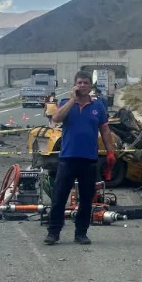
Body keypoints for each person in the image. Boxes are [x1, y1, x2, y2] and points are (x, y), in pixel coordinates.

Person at [44, 71, 116, 245]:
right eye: (79, 83)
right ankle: (53, 232)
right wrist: (72, 101)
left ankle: (81, 233)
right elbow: (56, 118)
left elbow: (105, 130)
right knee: (59, 198)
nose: (82, 85)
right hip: (67, 159)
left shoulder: (98, 107)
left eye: (85, 83)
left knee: (86, 199)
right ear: (74, 85)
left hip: (89, 160)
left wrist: (111, 152)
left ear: (90, 86)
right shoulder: (65, 103)